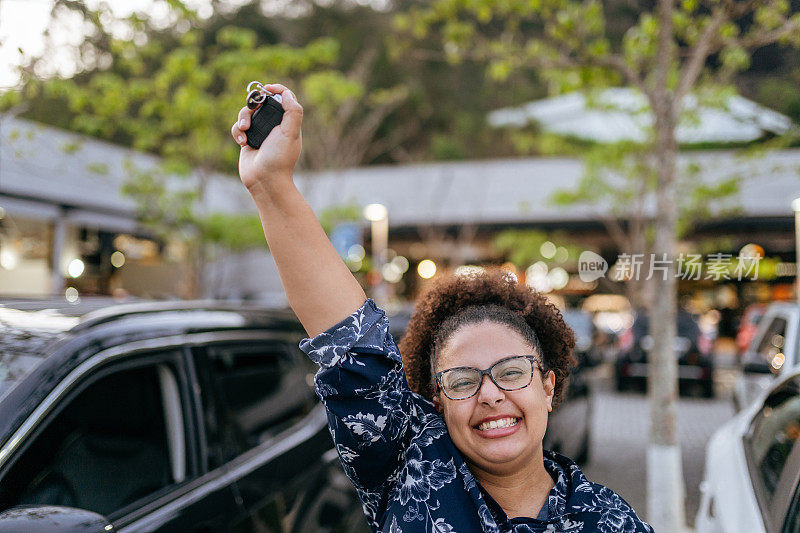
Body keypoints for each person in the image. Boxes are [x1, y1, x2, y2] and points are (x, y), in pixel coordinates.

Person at [231, 84, 652, 533]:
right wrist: (271, 183)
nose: (489, 395)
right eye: (462, 381)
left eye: (511, 372)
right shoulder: (411, 464)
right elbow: (350, 343)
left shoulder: (609, 521)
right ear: (437, 402)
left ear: (547, 387)